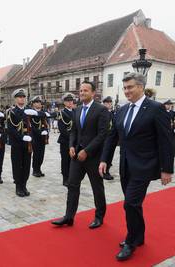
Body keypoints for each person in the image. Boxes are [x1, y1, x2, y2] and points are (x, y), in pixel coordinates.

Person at [98, 72, 174, 261]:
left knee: (130, 203)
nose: (127, 91)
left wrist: (167, 169)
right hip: (125, 165)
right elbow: (112, 137)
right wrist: (104, 159)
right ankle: (139, 236)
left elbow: (166, 141)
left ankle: (131, 241)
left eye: (130, 87)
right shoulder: (122, 110)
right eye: (124, 88)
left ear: (141, 86)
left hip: (145, 166)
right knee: (134, 205)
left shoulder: (156, 108)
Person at [51, 81, 110, 230]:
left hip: (93, 156)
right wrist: (71, 145)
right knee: (72, 185)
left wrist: (87, 151)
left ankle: (99, 217)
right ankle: (69, 217)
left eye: (85, 90)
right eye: (81, 90)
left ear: (93, 93)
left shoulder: (101, 110)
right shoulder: (76, 110)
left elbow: (102, 134)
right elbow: (74, 131)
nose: (82, 93)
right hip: (77, 155)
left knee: (97, 187)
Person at [6, 88, 38, 197]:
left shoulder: (29, 111)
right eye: (20, 97)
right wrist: (22, 137)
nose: (22, 98)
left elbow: (34, 126)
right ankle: (18, 186)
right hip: (17, 144)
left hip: (28, 144)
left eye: (24, 97)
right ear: (15, 99)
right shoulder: (12, 112)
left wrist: (31, 138)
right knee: (17, 165)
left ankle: (24, 185)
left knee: (26, 165)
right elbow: (11, 129)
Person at [56, 93, 75, 186]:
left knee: (73, 160)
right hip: (65, 140)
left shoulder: (76, 111)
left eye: (71, 100)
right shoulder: (62, 113)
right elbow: (62, 129)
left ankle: (71, 177)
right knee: (65, 160)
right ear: (64, 102)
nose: (70, 102)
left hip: (74, 141)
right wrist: (71, 138)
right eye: (68, 101)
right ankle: (65, 178)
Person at [29, 95, 49, 177]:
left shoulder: (44, 113)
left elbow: (46, 124)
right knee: (36, 154)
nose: (38, 104)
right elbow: (31, 126)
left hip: (43, 137)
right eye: (36, 102)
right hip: (35, 136)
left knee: (41, 154)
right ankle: (35, 170)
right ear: (33, 104)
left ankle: (39, 168)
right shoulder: (30, 113)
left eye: (40, 102)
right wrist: (40, 132)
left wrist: (46, 132)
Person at [102, 96, 116, 180]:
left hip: (112, 139)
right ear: (104, 103)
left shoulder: (112, 113)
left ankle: (107, 170)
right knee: (105, 156)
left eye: (110, 103)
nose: (109, 104)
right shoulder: (102, 113)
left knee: (110, 155)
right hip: (105, 139)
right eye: (107, 103)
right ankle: (104, 172)